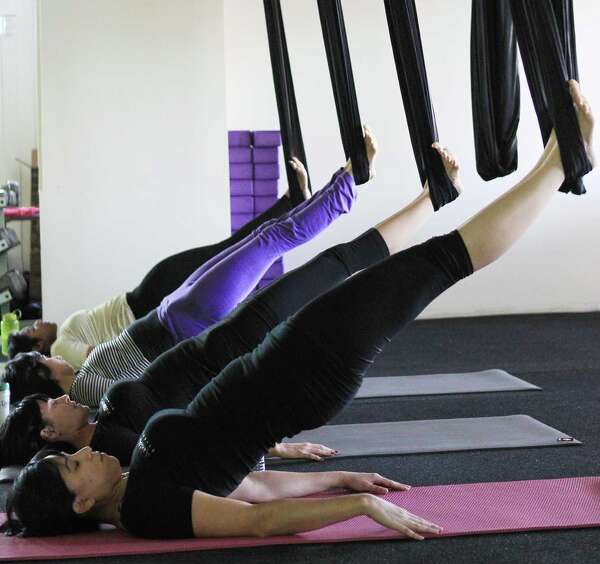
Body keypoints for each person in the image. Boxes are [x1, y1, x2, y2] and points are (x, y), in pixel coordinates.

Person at [3, 82, 595, 541]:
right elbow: (258, 518)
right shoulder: (146, 508)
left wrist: (338, 478)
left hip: (279, 359)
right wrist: (358, 505)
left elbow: (250, 483)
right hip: (301, 373)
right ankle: (558, 164)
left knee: (425, 267)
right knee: (434, 266)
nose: (80, 453)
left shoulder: (135, 481)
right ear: (82, 502)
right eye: (72, 466)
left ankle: (553, 165)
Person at [1, 137, 449, 468]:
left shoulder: (92, 396)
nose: (51, 367)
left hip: (177, 316)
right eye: (48, 400)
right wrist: (269, 449)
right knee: (286, 248)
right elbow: (195, 412)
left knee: (267, 242)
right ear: (48, 429)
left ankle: (357, 188)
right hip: (193, 325)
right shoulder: (95, 400)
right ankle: (354, 182)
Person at [5, 138, 376, 408]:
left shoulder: (84, 381)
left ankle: (332, 189)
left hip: (173, 313)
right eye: (44, 362)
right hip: (185, 323)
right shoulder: (85, 389)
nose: (53, 357)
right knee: (269, 242)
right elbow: (152, 397)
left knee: (263, 240)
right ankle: (346, 185)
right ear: (46, 373)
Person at [7, 162, 312, 367]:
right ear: (36, 347)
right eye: (33, 329)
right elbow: (101, 358)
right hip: (151, 305)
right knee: (230, 251)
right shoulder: (60, 349)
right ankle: (293, 203)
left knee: (227, 250)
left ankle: (292, 202)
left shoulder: (64, 338)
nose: (37, 323)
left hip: (149, 296)